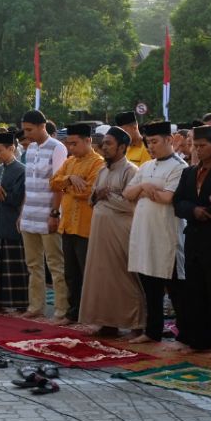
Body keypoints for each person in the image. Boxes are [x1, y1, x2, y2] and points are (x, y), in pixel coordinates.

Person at [172, 125, 211, 354]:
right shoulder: (189, 173)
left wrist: (205, 211)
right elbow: (178, 202)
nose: (198, 151)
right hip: (194, 237)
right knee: (194, 290)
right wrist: (194, 211)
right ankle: (198, 340)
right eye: (195, 146)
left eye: (202, 146)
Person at [78, 127, 144, 337]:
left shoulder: (131, 171)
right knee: (102, 277)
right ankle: (107, 321)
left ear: (122, 147)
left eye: (109, 144)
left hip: (120, 231)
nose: (103, 147)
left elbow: (131, 204)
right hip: (100, 231)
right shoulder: (102, 170)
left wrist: (108, 195)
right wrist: (99, 194)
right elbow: (92, 199)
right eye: (103, 144)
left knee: (125, 276)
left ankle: (136, 322)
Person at [125, 120, 187, 344]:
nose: (150, 147)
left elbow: (167, 198)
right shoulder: (146, 167)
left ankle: (185, 332)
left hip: (166, 233)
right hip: (144, 233)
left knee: (175, 288)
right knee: (149, 286)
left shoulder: (180, 167)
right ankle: (152, 331)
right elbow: (128, 193)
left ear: (169, 140)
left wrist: (146, 191)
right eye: (148, 142)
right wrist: (144, 187)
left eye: (154, 141)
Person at [49, 123, 105, 323]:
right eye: (69, 144)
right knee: (71, 273)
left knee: (87, 273)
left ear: (88, 141)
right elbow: (53, 182)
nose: (71, 148)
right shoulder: (70, 162)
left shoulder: (98, 163)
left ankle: (91, 315)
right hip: (68, 225)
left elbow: (88, 192)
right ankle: (74, 313)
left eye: (74, 143)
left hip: (86, 226)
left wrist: (66, 186)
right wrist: (70, 179)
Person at [19, 110, 68, 321]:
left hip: (48, 215)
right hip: (29, 214)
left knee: (56, 266)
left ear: (42, 126)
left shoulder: (57, 148)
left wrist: (54, 214)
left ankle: (61, 309)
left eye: (29, 129)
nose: (26, 134)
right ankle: (35, 307)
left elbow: (59, 185)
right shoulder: (29, 149)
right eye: (24, 130)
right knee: (33, 265)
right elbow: (28, 185)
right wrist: (22, 213)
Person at [0, 132, 28, 313]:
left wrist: (1, 192)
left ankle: (20, 304)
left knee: (15, 266)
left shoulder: (21, 171)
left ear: (12, 148)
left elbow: (17, 199)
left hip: (12, 225)